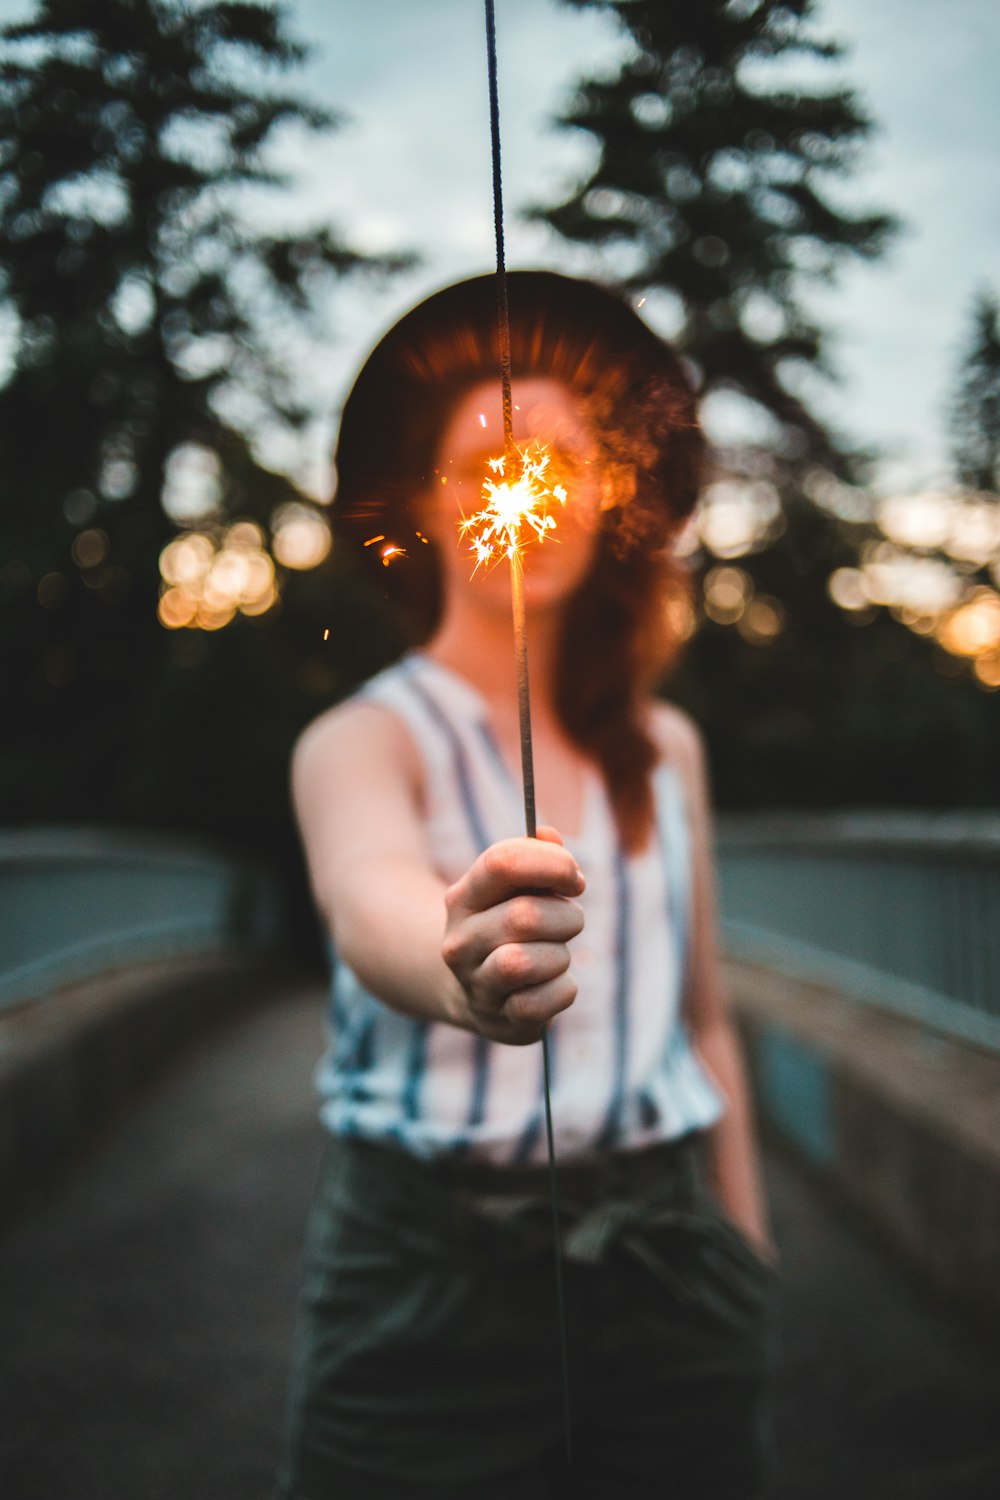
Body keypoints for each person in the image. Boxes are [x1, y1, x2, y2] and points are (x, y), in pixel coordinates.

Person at [280, 271, 776, 1500]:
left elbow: (702, 1018)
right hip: (423, 1287)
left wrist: (745, 1243)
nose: (530, 493)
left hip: (671, 1266)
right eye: (493, 464)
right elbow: (369, 901)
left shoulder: (662, 748)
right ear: (437, 509)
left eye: (566, 461)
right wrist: (463, 969)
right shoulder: (365, 738)